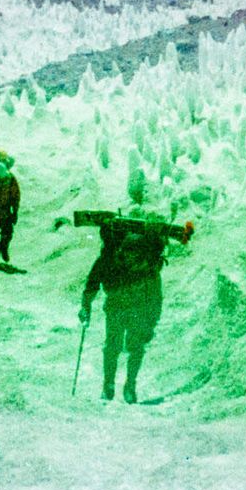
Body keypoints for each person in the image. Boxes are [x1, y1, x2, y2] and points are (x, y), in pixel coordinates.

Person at [79, 171, 168, 403]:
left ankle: (113, 386)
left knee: (115, 347)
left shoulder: (109, 259)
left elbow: (92, 284)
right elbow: (156, 295)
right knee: (128, 347)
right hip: (129, 309)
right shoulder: (144, 263)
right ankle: (126, 386)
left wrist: (86, 306)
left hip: (119, 309)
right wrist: (152, 319)